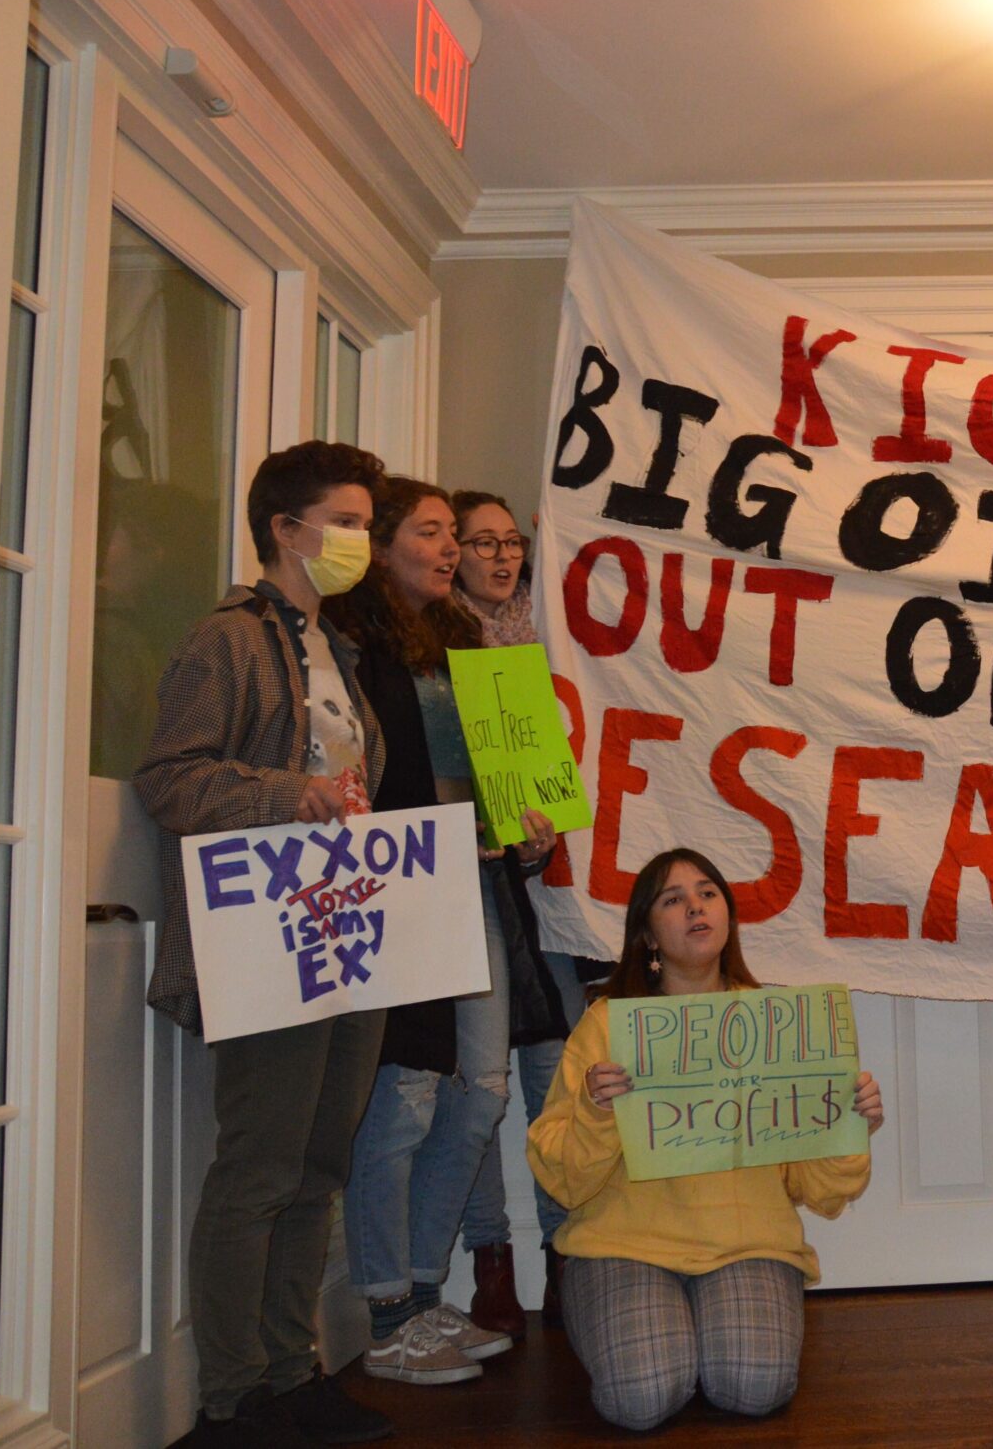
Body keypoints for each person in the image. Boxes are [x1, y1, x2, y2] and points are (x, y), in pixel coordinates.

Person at [136, 440, 397, 1447]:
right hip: (264, 942)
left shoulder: (341, 654)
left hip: (351, 933)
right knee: (259, 1166)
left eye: (366, 522)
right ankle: (233, 1394)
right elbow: (171, 780)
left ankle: (295, 1371)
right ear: (285, 530)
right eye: (344, 520)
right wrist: (294, 795)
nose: (359, 540)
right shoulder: (225, 641)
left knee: (320, 1162)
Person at [329, 478, 558, 1384]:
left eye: (450, 535)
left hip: (473, 887)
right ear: (384, 546)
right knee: (403, 1104)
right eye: (431, 533)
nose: (452, 548)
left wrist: (530, 829)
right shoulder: (352, 646)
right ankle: (390, 1309)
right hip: (395, 892)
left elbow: (510, 777)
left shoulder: (470, 643)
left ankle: (427, 1294)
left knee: (482, 1094)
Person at [529, 849, 882, 1432]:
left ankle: (694, 1342)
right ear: (646, 932)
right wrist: (596, 1110)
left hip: (747, 1245)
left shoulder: (779, 1024)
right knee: (641, 1397)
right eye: (672, 899)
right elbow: (562, 1178)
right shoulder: (606, 1025)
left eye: (708, 892)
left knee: (755, 1386)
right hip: (622, 1245)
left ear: (728, 915)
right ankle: (665, 1341)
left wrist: (847, 1125)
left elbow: (820, 1191)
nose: (695, 906)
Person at [449, 489, 593, 1333]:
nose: (501, 558)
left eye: (512, 544)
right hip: (476, 890)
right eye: (480, 543)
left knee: (556, 1081)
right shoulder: (432, 646)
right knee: (477, 1090)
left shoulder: (560, 638)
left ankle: (566, 1254)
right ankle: (489, 1256)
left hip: (552, 890)